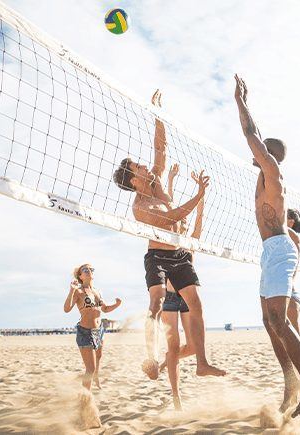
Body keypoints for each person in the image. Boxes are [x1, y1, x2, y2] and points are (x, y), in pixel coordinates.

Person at [113, 89, 225, 380]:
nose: (144, 166)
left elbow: (160, 149)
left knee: (197, 303)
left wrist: (158, 114)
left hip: (179, 255)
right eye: (138, 166)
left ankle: (202, 363)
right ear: (132, 179)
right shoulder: (140, 207)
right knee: (158, 301)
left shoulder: (157, 182)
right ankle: (150, 357)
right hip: (159, 257)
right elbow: (173, 217)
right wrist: (198, 194)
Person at [234, 74, 300, 418]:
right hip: (269, 252)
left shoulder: (271, 169)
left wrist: (241, 101)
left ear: (267, 154)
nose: (253, 151)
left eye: (259, 148)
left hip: (280, 249)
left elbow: (249, 134)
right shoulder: (262, 174)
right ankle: (291, 382)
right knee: (270, 322)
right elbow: (254, 140)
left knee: (279, 320)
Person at [158, 163, 206, 410]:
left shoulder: (192, 241)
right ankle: (176, 397)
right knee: (173, 347)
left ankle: (168, 361)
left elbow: (198, 217)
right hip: (168, 297)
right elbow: (170, 207)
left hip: (187, 297)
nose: (183, 222)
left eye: (185, 222)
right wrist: (171, 180)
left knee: (195, 345)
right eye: (181, 221)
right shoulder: (169, 238)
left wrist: (201, 195)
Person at [63, 263, 122, 390]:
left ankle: (96, 377)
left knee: (99, 357)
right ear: (80, 276)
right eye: (85, 269)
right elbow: (66, 309)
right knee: (90, 368)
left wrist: (117, 304)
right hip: (85, 332)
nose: (89, 271)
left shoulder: (97, 291)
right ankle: (86, 398)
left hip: (99, 330)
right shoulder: (78, 291)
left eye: (91, 269)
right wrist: (71, 290)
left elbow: (105, 309)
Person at [286, 208, 300, 334]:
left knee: (294, 343)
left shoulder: (293, 237)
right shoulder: (279, 238)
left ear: (290, 222)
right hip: (278, 293)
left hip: (290, 294)